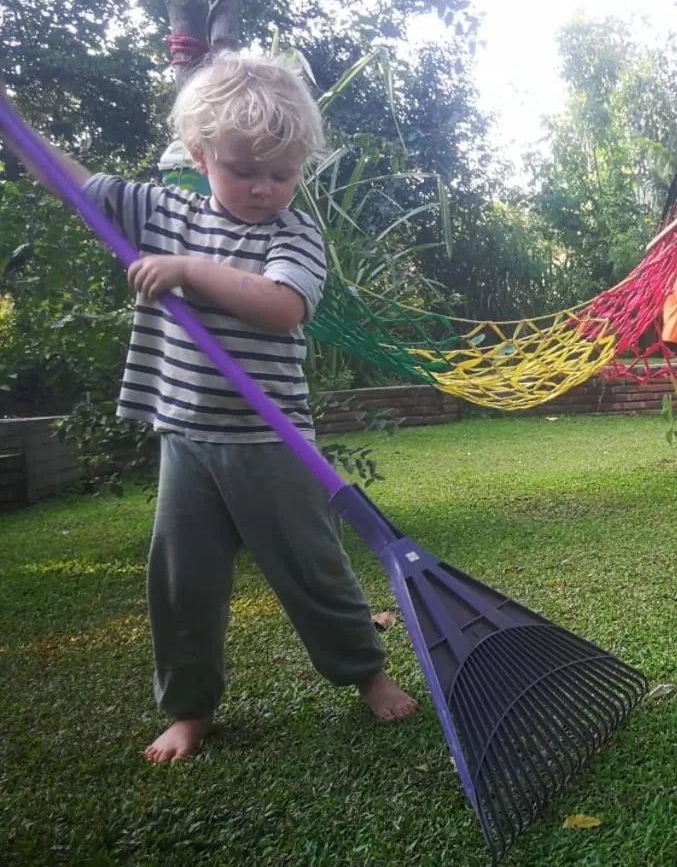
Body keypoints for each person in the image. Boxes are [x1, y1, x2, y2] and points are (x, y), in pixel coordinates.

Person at [0, 51, 419, 764]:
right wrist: (15, 126)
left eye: (282, 174)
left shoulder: (292, 234)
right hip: (186, 437)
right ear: (200, 156)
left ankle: (366, 673)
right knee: (182, 581)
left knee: (312, 567)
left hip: (270, 440)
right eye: (244, 170)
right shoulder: (164, 213)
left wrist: (189, 270)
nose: (264, 188)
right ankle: (189, 708)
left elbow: (283, 307)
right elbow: (76, 187)